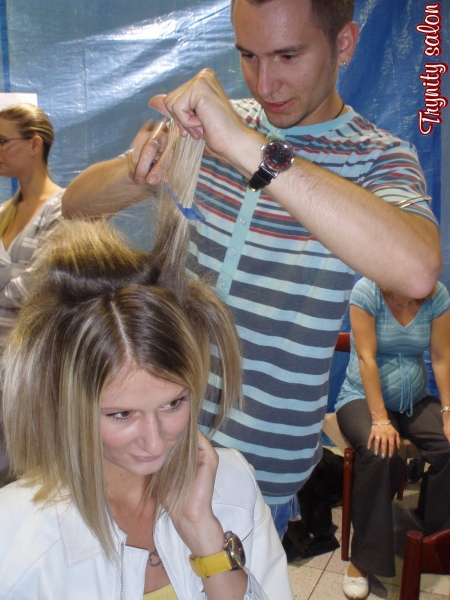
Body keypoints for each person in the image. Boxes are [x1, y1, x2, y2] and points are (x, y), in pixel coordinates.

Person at [62, 0, 441, 537]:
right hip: (154, 441)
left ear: (344, 44)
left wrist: (248, 148)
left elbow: (417, 269)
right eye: (248, 56)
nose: (265, 84)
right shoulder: (211, 129)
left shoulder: (376, 158)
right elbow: (76, 207)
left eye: (288, 56)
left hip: (259, 469)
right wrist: (139, 167)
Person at [0, 196, 293, 598]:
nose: (156, 443)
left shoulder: (232, 483)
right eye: (122, 414)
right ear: (67, 404)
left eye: (174, 403)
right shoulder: (15, 535)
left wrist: (205, 535)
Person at [334, 277, 450, 599]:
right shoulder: (367, 291)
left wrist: (448, 412)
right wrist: (381, 419)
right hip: (360, 397)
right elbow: (366, 357)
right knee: (381, 452)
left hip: (413, 399)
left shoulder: (437, 295)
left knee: (448, 445)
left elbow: (442, 357)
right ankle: (362, 561)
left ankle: (435, 539)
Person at [0, 103, 63, 487]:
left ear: (35, 144)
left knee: (24, 476)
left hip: (27, 368)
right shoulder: (4, 212)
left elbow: (35, 289)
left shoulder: (63, 208)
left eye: (2, 141)